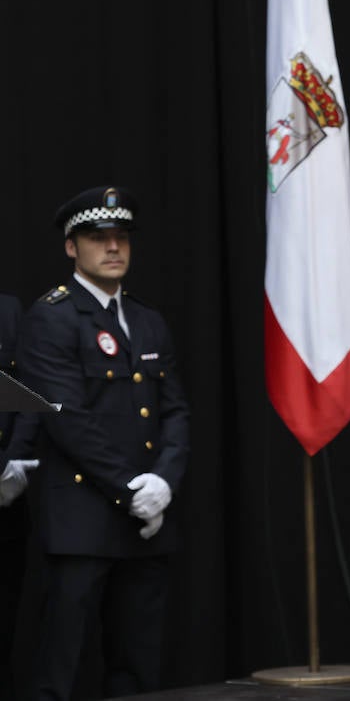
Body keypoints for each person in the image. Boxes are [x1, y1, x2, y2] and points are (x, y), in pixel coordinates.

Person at [16, 186, 190, 701]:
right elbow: (66, 418)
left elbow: (174, 409)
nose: (113, 248)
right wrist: (131, 488)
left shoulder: (147, 319)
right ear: (72, 247)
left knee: (137, 668)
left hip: (147, 520)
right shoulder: (51, 316)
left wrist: (165, 481)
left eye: (121, 238)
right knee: (61, 667)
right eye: (98, 239)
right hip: (82, 519)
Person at [0, 293, 33, 701]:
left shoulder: (9, 311)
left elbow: (31, 394)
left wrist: (16, 463)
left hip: (4, 502)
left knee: (4, 634)